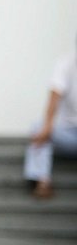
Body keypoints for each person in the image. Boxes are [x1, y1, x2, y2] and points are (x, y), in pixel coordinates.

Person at [24, 36, 77, 200]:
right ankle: (42, 180)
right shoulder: (67, 63)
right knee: (38, 127)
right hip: (70, 135)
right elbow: (55, 94)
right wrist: (47, 126)